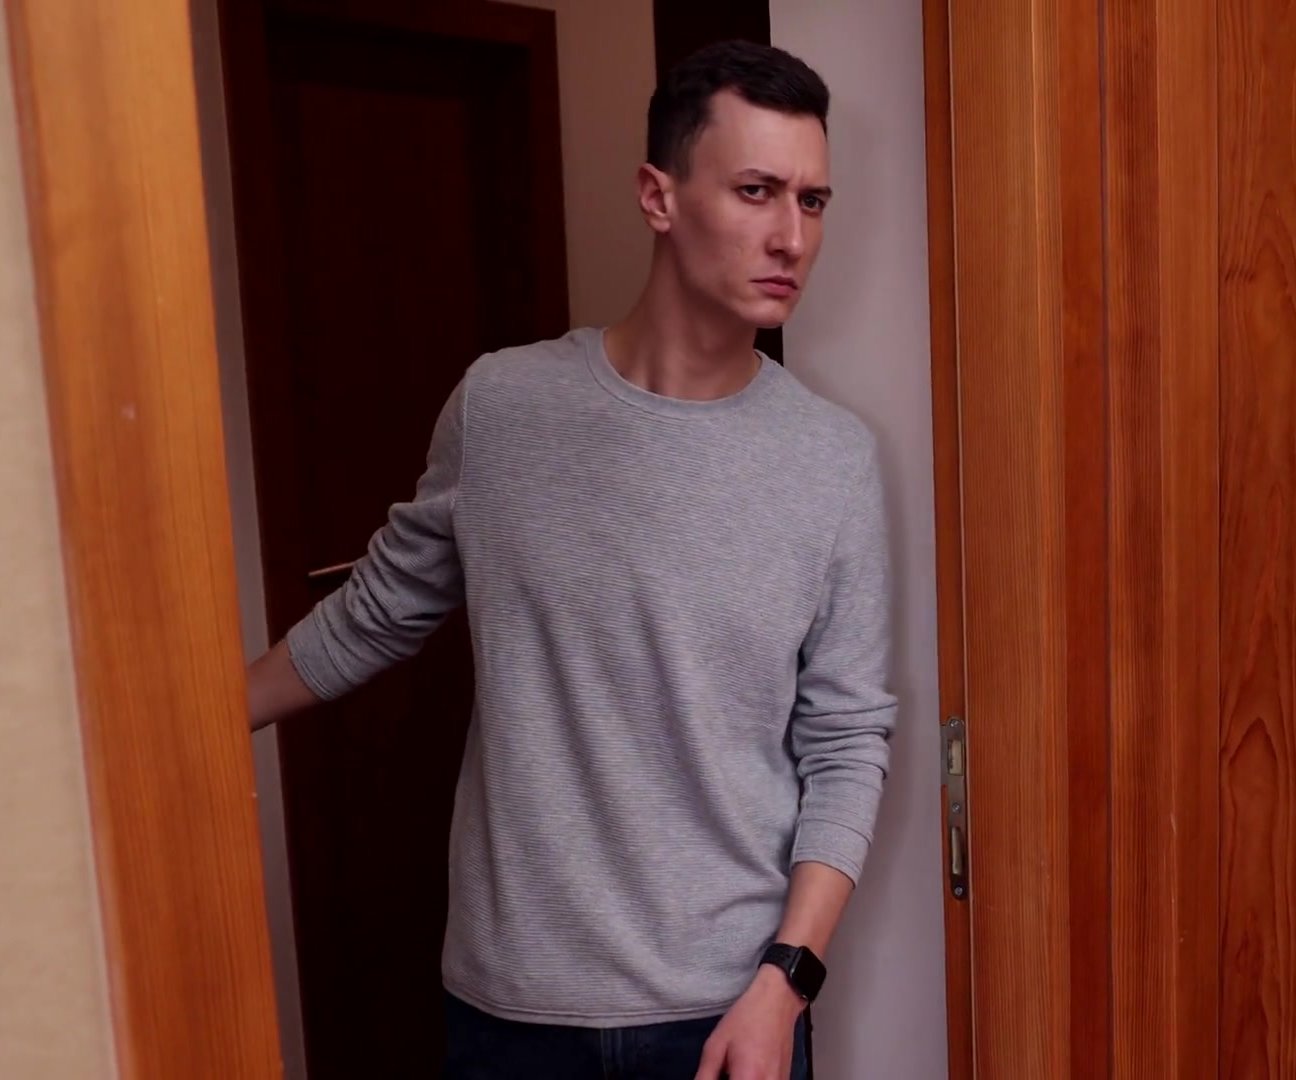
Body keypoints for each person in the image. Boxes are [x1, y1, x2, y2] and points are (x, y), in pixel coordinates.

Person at [245, 40, 895, 1080]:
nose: (791, 236)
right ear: (658, 195)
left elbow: (848, 740)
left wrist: (788, 981)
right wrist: (189, 732)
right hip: (510, 1008)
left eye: (811, 201)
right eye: (756, 190)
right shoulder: (503, 406)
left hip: (729, 1010)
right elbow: (378, 611)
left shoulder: (832, 461)